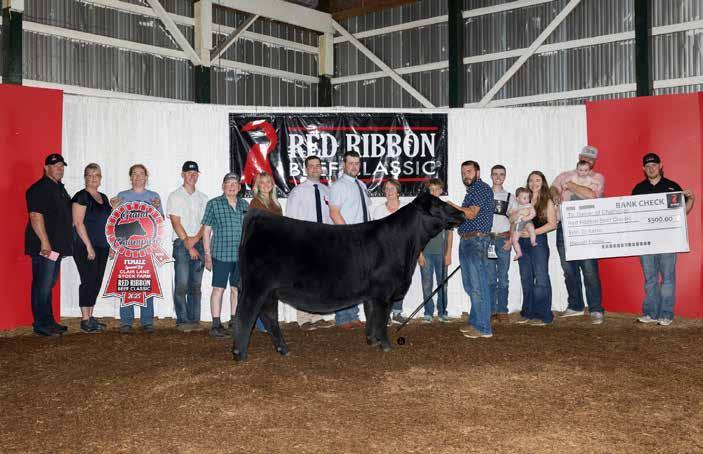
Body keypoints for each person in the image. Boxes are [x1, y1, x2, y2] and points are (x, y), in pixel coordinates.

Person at [632, 152, 695, 326]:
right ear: (643, 168)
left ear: (660, 166)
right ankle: (651, 313)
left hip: (668, 241)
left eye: (654, 165)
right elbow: (632, 217)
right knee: (650, 279)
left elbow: (683, 212)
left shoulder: (672, 187)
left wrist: (691, 199)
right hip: (645, 241)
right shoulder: (638, 189)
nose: (651, 168)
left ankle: (666, 314)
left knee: (667, 278)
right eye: (647, 166)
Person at [551, 146, 606, 325]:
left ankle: (595, 308)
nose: (587, 160)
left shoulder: (597, 178)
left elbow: (591, 196)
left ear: (594, 162)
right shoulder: (564, 174)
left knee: (589, 269)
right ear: (580, 157)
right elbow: (553, 187)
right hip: (564, 225)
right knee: (568, 269)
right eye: (585, 157)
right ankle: (575, 305)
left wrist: (570, 186)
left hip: (586, 226)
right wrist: (555, 194)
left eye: (591, 159)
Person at [25, 153, 73, 336]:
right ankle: (41, 324)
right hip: (45, 247)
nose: (59, 169)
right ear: (46, 168)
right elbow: (35, 216)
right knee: (42, 285)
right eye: (55, 166)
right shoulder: (39, 189)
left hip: (56, 247)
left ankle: (49, 321)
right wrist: (45, 243)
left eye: (61, 166)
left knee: (49, 283)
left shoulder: (59, 188)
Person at [285, 156, 335, 331]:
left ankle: (317, 316)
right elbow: (290, 219)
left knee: (320, 281)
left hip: (324, 242)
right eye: (311, 166)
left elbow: (330, 217)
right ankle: (304, 318)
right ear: (306, 169)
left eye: (317, 166)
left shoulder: (327, 191)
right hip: (304, 242)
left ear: (321, 169)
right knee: (304, 281)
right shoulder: (298, 191)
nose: (315, 169)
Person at [112, 164, 163, 334]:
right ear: (131, 177)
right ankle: (126, 321)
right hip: (126, 247)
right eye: (135, 174)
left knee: (146, 281)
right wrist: (114, 207)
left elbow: (160, 220)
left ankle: (147, 321)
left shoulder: (154, 196)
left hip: (146, 246)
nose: (138, 176)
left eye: (141, 174)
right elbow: (114, 220)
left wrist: (157, 208)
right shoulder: (122, 196)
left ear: (146, 177)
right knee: (126, 282)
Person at [448, 161, 494, 339]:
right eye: (463, 173)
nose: (465, 175)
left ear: (477, 172)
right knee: (470, 285)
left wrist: (453, 207)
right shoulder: (472, 191)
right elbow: (467, 216)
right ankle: (476, 322)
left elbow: (472, 213)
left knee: (478, 285)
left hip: (477, 240)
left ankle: (484, 328)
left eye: (468, 171)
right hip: (468, 240)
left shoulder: (480, 188)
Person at [201, 172, 249, 338]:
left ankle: (234, 321)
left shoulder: (244, 205)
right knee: (218, 289)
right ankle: (216, 325)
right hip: (220, 255)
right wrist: (207, 255)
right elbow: (206, 231)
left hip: (240, 257)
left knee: (236, 289)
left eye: (235, 184)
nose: (232, 186)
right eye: (228, 183)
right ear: (223, 186)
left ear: (239, 187)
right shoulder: (213, 204)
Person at [329, 151, 370, 329]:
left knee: (357, 280)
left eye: (357, 163)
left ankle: (353, 315)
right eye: (350, 163)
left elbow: (364, 212)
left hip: (363, 238)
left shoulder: (361, 185)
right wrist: (349, 235)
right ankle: (342, 317)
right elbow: (334, 213)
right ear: (344, 165)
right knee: (344, 279)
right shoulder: (339, 186)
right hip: (346, 239)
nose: (354, 166)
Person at [166, 161, 208, 332]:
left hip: (198, 242)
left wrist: (196, 240)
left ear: (198, 175)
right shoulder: (175, 196)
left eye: (195, 173)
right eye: (189, 173)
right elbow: (175, 222)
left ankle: (194, 319)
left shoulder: (203, 198)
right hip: (181, 243)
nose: (192, 176)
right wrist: (188, 244)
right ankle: (182, 320)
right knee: (182, 282)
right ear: (183, 174)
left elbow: (206, 223)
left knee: (195, 285)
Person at [72, 163, 111, 333]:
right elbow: (78, 223)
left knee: (96, 281)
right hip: (85, 246)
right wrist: (88, 246)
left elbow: (108, 222)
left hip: (102, 246)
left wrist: (110, 245)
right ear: (85, 178)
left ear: (100, 178)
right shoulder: (81, 196)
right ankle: (85, 319)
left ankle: (91, 316)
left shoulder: (103, 197)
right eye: (90, 175)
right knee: (88, 281)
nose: (93, 178)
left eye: (97, 175)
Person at [517, 171, 557, 326]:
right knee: (525, 277)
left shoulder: (547, 201)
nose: (534, 183)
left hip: (538, 241)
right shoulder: (522, 199)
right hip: (522, 242)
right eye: (531, 180)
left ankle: (544, 315)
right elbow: (513, 218)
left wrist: (532, 233)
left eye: (537, 180)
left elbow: (552, 224)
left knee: (541, 277)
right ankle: (528, 312)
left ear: (543, 182)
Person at [372, 178, 407, 325]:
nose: (389, 191)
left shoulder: (406, 209)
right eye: (386, 188)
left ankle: (397, 312)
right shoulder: (379, 210)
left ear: (398, 191)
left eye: (392, 188)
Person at [418, 178, 452, 324]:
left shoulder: (446, 209)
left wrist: (448, 253)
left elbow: (449, 233)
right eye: (431, 190)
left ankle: (442, 312)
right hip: (426, 253)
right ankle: (428, 312)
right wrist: (419, 254)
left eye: (437, 189)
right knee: (427, 285)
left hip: (441, 253)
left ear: (441, 191)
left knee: (443, 284)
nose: (434, 192)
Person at [487, 165, 518, 323]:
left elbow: (515, 220)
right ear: (491, 176)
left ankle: (502, 310)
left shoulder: (510, 197)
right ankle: (492, 310)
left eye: (501, 174)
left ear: (505, 177)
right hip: (489, 239)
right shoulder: (485, 195)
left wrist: (511, 239)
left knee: (503, 278)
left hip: (504, 239)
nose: (498, 176)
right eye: (495, 174)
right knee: (491, 278)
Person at [508, 187, 537, 260]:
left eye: (528, 198)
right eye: (524, 198)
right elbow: (511, 216)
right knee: (514, 240)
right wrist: (511, 212)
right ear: (517, 199)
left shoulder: (529, 205)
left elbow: (533, 214)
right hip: (519, 224)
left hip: (527, 221)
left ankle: (533, 241)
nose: (527, 200)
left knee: (531, 229)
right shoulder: (516, 206)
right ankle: (518, 252)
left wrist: (527, 218)